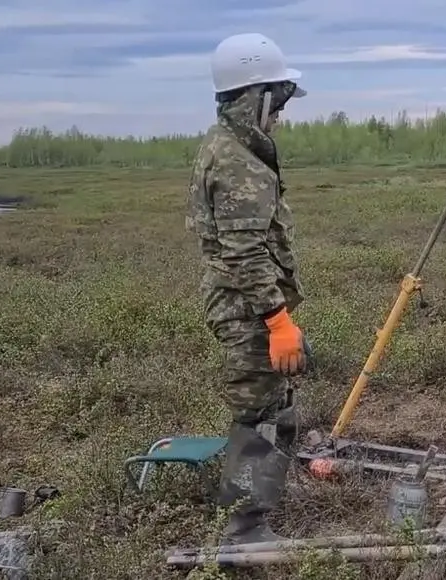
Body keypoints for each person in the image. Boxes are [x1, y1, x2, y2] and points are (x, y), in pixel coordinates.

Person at [185, 32, 310, 545]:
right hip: (248, 310)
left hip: (251, 307)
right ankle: (245, 528)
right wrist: (278, 320)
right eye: (278, 99)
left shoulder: (237, 147)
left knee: (275, 410)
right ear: (256, 96)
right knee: (256, 416)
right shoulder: (236, 158)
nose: (281, 113)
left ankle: (258, 509)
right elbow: (243, 251)